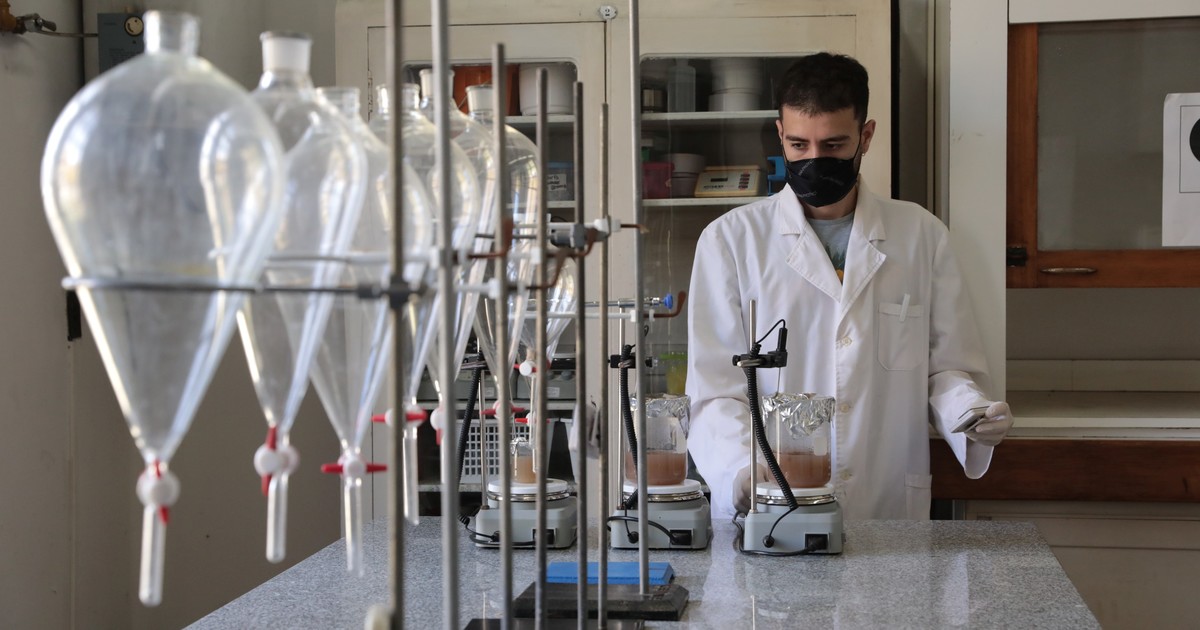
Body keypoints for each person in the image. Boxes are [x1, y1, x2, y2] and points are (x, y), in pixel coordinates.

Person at [685, 52, 1012, 520]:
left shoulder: (921, 235)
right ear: (780, 134)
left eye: (834, 145)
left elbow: (946, 368)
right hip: (771, 503)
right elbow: (714, 389)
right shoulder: (730, 241)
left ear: (866, 135)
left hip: (885, 499)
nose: (814, 160)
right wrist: (738, 469)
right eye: (798, 145)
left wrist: (973, 412)